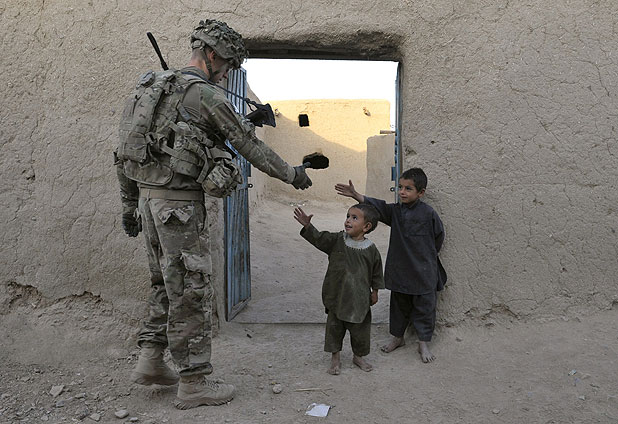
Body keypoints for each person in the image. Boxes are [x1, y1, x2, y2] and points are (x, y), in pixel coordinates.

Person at [115, 19, 312, 410]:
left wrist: (127, 204)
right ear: (211, 55)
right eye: (227, 66)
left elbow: (123, 152)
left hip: (147, 202)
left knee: (164, 282)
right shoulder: (204, 95)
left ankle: (151, 360)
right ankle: (194, 383)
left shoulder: (150, 89)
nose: (227, 74)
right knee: (191, 289)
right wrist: (293, 175)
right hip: (179, 209)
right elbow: (250, 147)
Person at [335, 168, 446, 363]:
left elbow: (439, 236)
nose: (402, 192)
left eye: (408, 189)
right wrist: (356, 195)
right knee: (398, 306)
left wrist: (426, 256)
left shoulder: (429, 214)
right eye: (400, 187)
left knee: (425, 307)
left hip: (424, 271)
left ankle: (423, 342)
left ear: (421, 192)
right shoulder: (395, 211)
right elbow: (376, 207)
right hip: (401, 270)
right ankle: (398, 337)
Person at [293, 204, 384, 375]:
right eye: (348, 216)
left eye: (354, 218)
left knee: (360, 331)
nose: (348, 220)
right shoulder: (337, 240)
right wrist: (308, 226)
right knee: (334, 328)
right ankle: (335, 358)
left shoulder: (371, 250)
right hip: (337, 296)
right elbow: (319, 238)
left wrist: (375, 291)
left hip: (359, 300)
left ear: (366, 227)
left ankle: (358, 356)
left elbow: (377, 272)